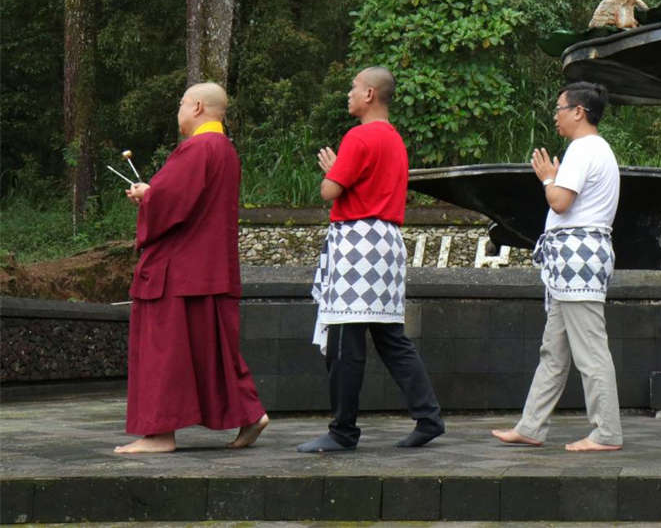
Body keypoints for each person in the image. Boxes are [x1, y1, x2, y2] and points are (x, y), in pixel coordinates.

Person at [297, 67, 445, 452]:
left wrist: (333, 172)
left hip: (357, 244)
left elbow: (330, 190)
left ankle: (342, 431)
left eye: (353, 87)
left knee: (345, 341)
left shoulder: (359, 137)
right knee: (390, 336)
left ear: (369, 94)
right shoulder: (394, 139)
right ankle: (428, 416)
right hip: (387, 242)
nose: (349, 93)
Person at [115, 82, 268, 454]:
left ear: (197, 106)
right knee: (212, 351)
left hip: (177, 271)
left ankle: (159, 434)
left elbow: (169, 204)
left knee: (163, 351)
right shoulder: (225, 150)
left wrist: (147, 196)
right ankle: (250, 413)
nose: (179, 111)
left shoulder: (197, 148)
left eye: (182, 104)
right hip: (209, 270)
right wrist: (155, 195)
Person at [491, 82, 624, 452]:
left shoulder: (583, 149)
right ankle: (531, 426)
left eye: (560, 108)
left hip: (577, 260)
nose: (555, 116)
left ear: (578, 112)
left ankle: (607, 433)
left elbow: (560, 202)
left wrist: (548, 178)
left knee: (591, 350)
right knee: (554, 350)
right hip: (575, 261)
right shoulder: (596, 148)